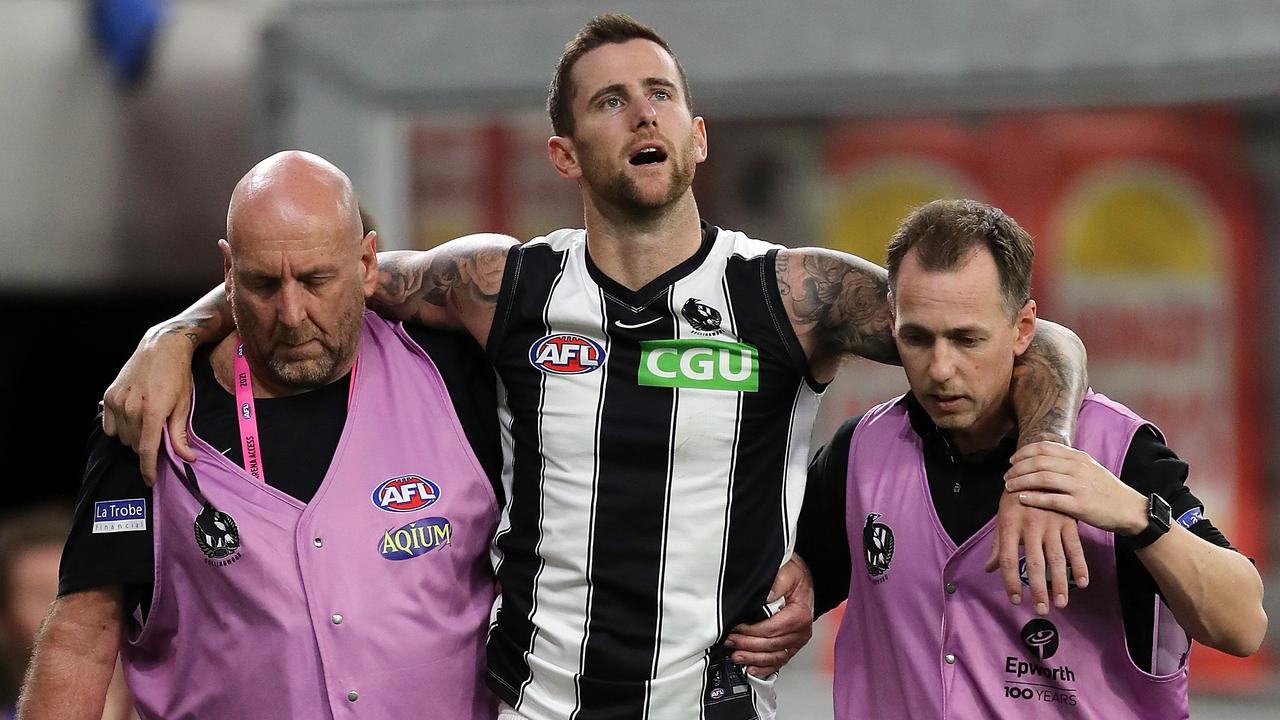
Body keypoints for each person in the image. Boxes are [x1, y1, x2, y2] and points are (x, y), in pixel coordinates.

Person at [100, 16, 1091, 720]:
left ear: (696, 138)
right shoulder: (499, 284)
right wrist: (174, 334)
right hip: (532, 707)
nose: (641, 113)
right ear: (566, 154)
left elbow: (1037, 341)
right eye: (609, 103)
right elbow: (318, 278)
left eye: (659, 94)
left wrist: (1044, 464)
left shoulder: (789, 294)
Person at [17, 151, 505, 719]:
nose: (292, 313)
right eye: (263, 284)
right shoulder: (152, 411)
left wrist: (172, 332)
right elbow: (81, 641)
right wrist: (170, 338)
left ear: (368, 262)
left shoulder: (452, 374)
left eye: (317, 279)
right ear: (228, 273)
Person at [793, 199, 1266, 719]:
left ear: (1023, 328)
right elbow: (788, 583)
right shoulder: (862, 450)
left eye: (967, 339)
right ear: (891, 325)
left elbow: (1243, 626)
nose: (941, 368)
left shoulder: (1116, 449)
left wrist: (1137, 516)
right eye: (917, 338)